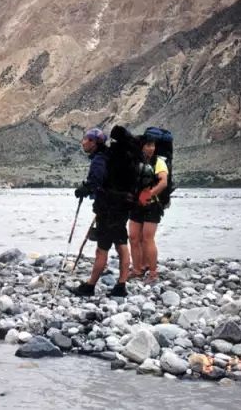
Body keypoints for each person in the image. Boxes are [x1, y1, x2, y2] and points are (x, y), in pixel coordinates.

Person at [72, 126, 133, 298]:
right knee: (121, 244)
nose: (83, 142)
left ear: (94, 142)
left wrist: (83, 190)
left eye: (86, 139)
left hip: (108, 209)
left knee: (102, 249)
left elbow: (96, 182)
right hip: (123, 206)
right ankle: (121, 285)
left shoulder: (99, 159)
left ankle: (90, 286)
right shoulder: (113, 157)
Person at [128, 133, 169, 285]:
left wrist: (149, 194)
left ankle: (153, 273)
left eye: (153, 145)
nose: (151, 148)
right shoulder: (135, 162)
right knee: (133, 237)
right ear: (141, 146)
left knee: (147, 239)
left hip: (152, 204)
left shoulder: (159, 162)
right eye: (148, 145)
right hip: (136, 204)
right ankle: (137, 270)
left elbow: (163, 182)